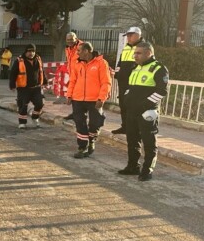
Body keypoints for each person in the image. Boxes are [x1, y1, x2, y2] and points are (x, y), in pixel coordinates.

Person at [118, 42, 168, 182]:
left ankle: (147, 170)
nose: (135, 56)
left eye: (138, 53)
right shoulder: (136, 68)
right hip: (132, 112)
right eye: (135, 53)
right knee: (132, 140)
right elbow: (129, 87)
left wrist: (145, 104)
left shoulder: (158, 68)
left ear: (149, 53)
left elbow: (162, 91)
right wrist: (127, 98)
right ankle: (132, 166)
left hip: (147, 113)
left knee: (149, 142)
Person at [66, 42, 112, 158]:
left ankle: (92, 140)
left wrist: (102, 98)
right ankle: (82, 147)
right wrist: (69, 95)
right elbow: (73, 80)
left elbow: (106, 82)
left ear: (87, 51)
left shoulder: (101, 63)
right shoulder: (77, 63)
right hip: (78, 98)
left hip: (95, 99)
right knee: (80, 123)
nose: (77, 53)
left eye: (79, 51)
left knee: (95, 123)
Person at [111, 26, 143, 134]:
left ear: (138, 35)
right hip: (123, 81)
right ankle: (124, 126)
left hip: (134, 82)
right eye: (128, 35)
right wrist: (117, 74)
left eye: (131, 35)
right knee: (123, 104)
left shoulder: (143, 47)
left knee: (132, 105)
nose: (128, 37)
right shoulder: (126, 47)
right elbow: (120, 63)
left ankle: (133, 128)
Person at [9, 43, 47, 129]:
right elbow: (13, 73)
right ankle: (22, 123)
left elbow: (41, 71)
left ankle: (35, 117)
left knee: (40, 104)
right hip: (23, 88)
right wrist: (12, 85)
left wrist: (44, 81)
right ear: (26, 52)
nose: (31, 53)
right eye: (29, 51)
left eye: (33, 51)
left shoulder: (38, 59)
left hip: (36, 88)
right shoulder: (19, 60)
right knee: (23, 105)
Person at [58, 33, 84, 111]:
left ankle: (79, 113)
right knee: (74, 95)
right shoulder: (68, 49)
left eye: (71, 39)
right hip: (73, 75)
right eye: (68, 40)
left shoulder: (82, 47)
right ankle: (76, 113)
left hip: (81, 75)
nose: (70, 41)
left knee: (79, 96)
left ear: (76, 39)